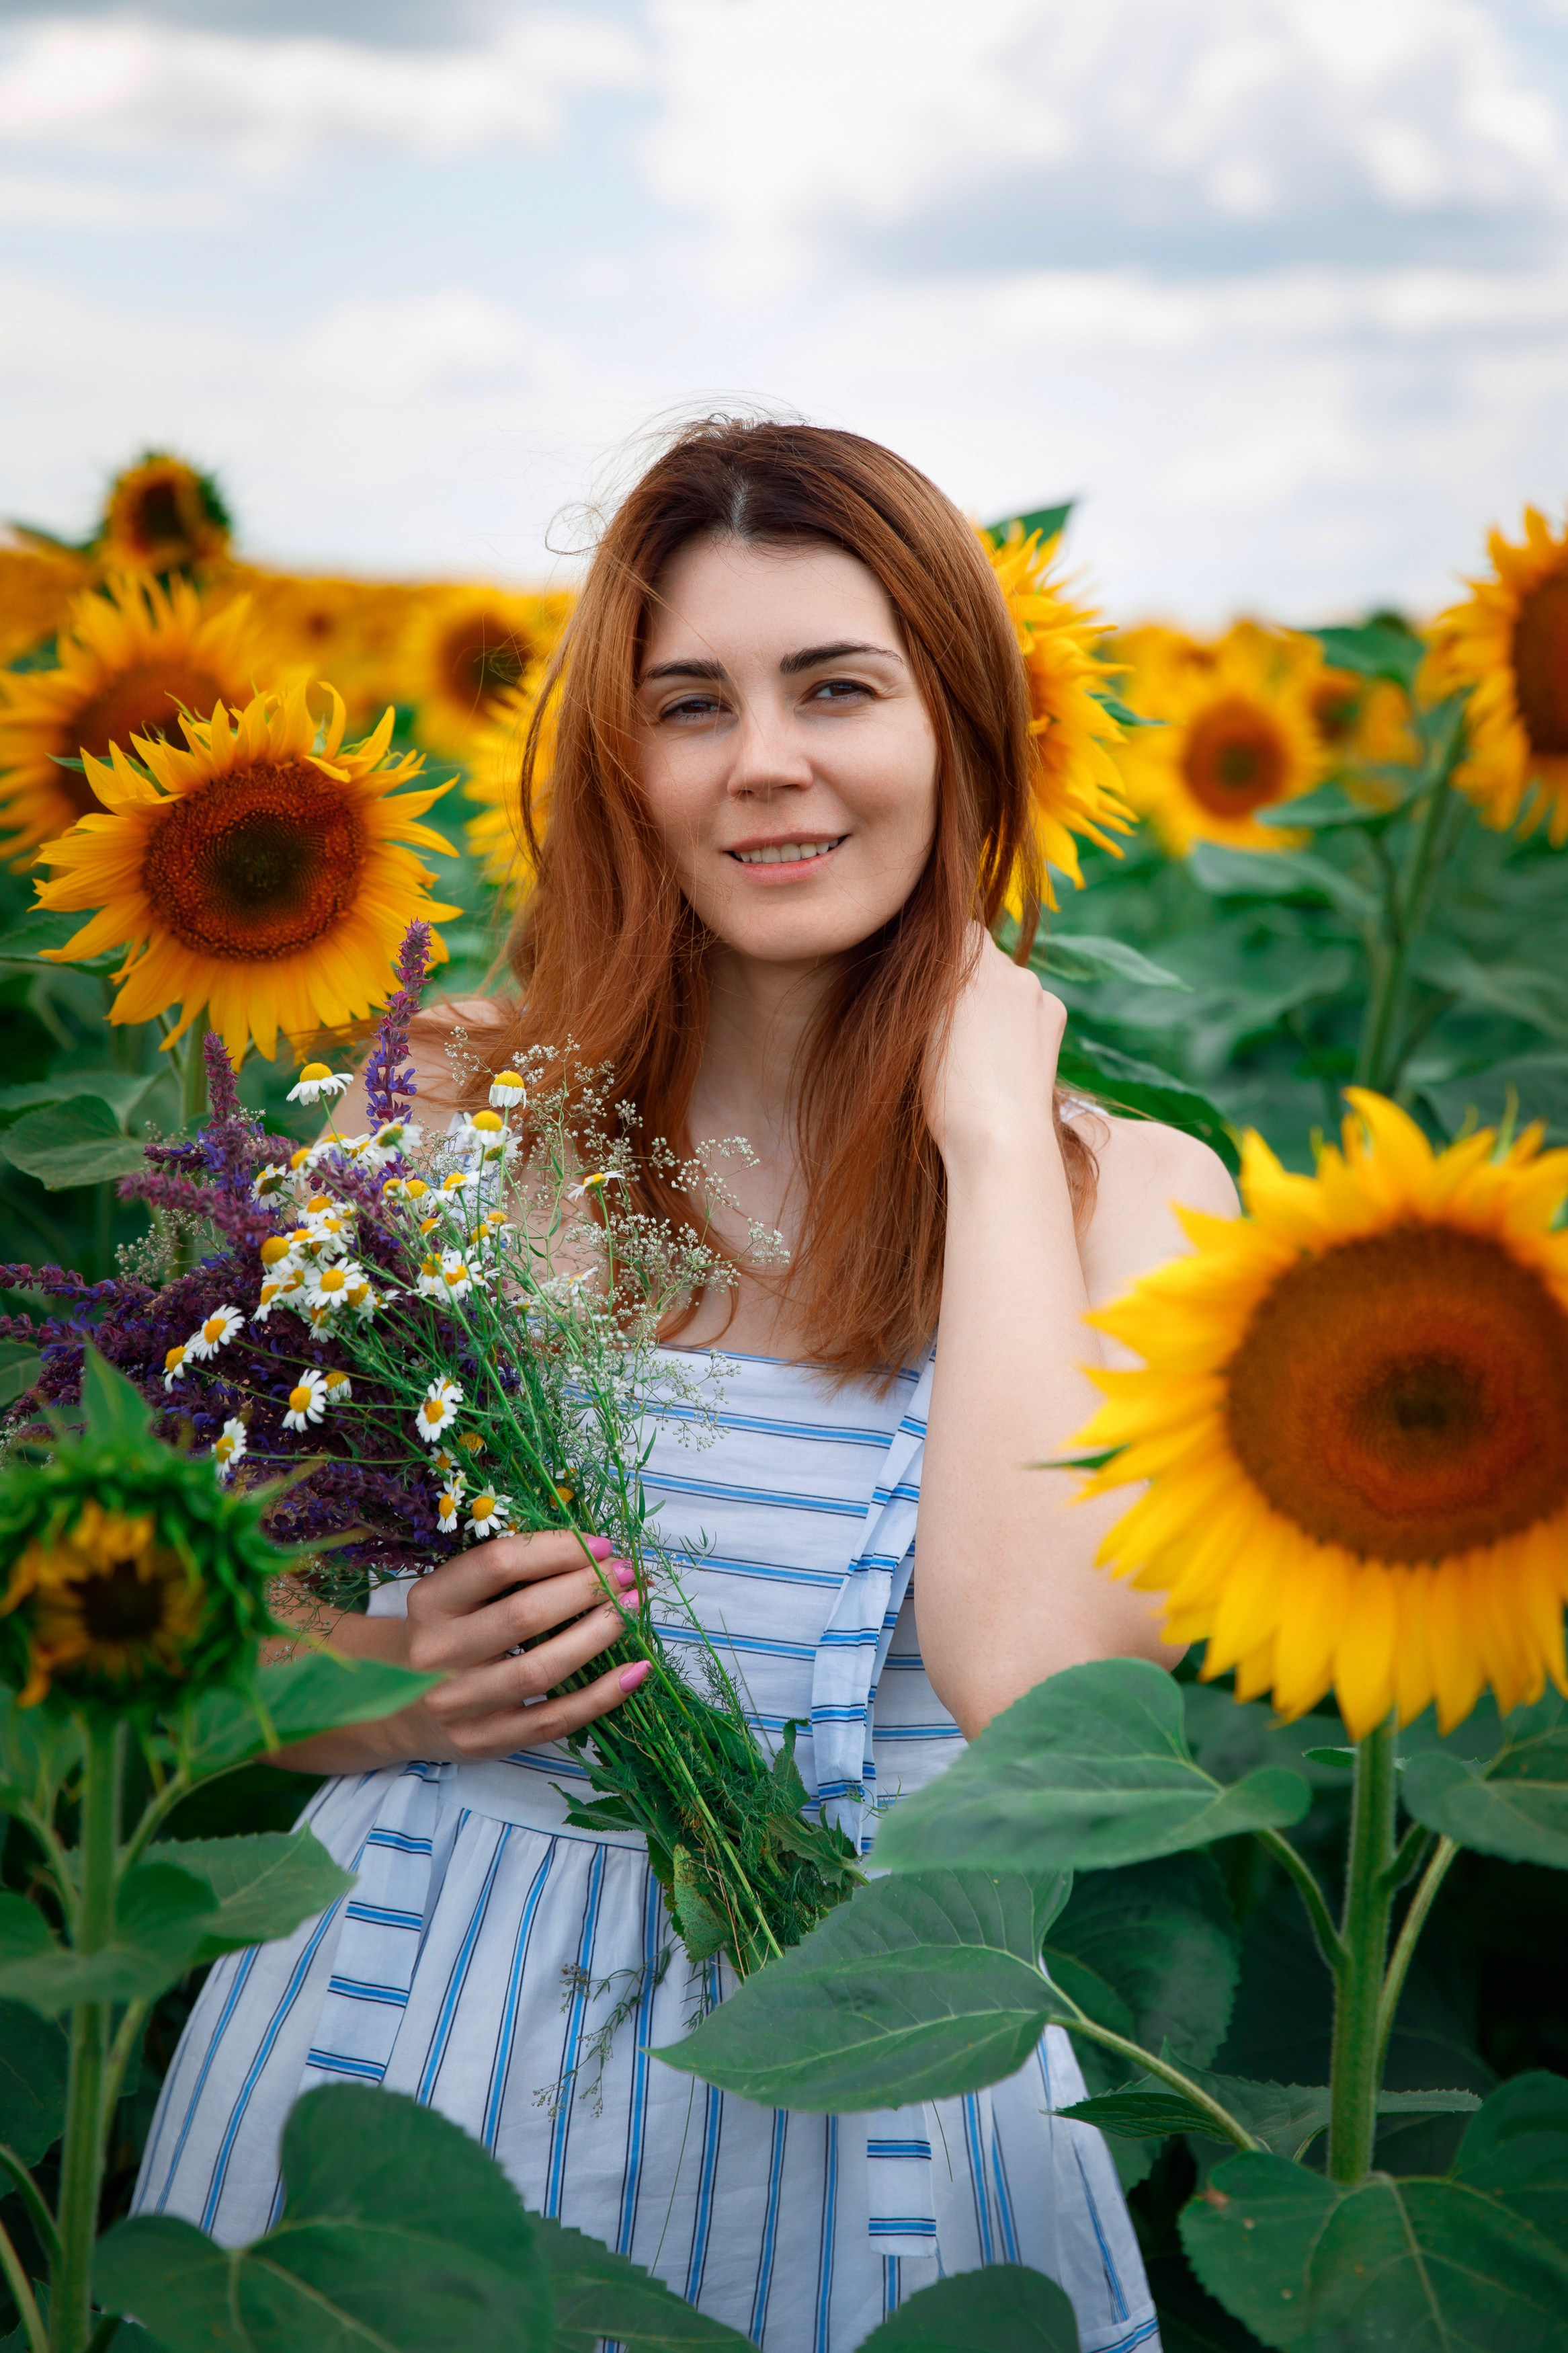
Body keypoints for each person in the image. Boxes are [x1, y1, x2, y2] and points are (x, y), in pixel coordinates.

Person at [134, 418, 1237, 2352]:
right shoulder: (443, 1114)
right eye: (691, 705)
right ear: (620, 769)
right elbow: (208, 1646)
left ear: (964, 731)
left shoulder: (1129, 1193)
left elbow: (1050, 1693)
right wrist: (383, 1688)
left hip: (876, 2097)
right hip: (400, 2051)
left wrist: (988, 1134)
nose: (769, 764)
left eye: (838, 687)